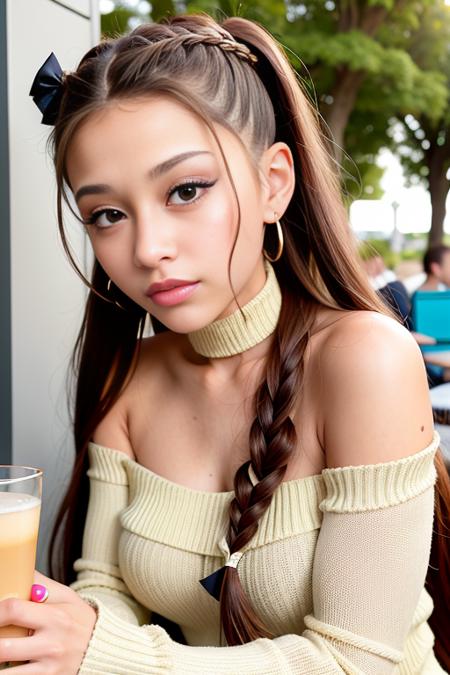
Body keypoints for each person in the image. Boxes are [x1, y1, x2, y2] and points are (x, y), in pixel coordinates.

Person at [6, 13, 449, 674]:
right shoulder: (126, 377)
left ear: (274, 183)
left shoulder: (365, 360)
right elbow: (107, 592)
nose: (148, 248)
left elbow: (360, 663)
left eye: (185, 190)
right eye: (107, 214)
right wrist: (55, 631)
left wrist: (106, 653)